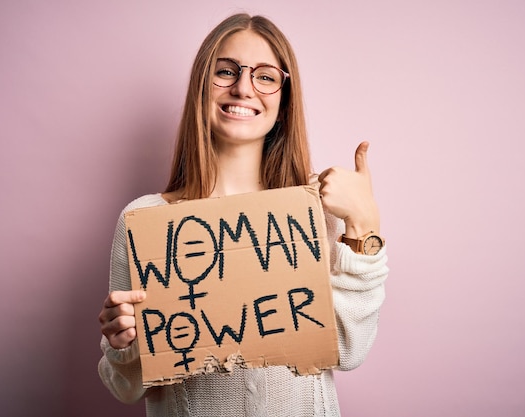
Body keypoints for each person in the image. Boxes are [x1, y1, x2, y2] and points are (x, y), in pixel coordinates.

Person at [98, 13, 388, 417]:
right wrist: (123, 344)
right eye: (226, 71)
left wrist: (364, 224)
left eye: (265, 76)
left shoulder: (317, 211)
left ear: (285, 101)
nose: (243, 87)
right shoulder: (144, 221)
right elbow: (126, 388)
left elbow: (348, 349)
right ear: (202, 88)